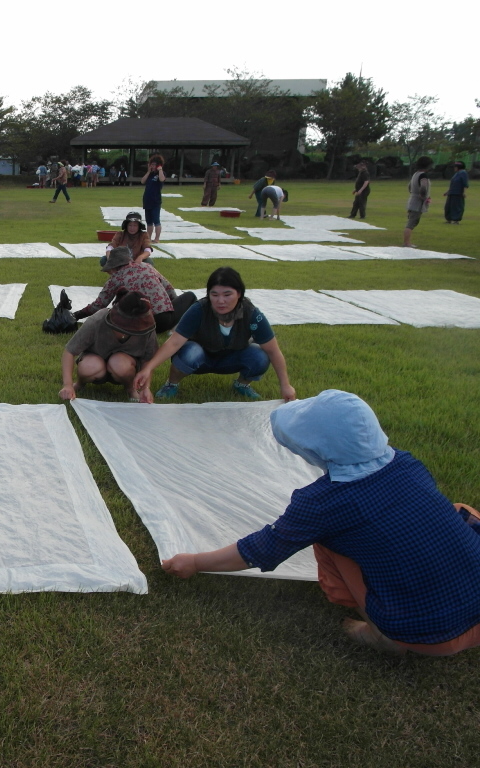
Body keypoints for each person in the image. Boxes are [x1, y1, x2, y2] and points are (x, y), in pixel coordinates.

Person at [162, 390, 480, 657]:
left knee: (330, 543)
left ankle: (380, 633)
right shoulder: (406, 464)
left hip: (423, 634)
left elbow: (261, 550)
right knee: (459, 510)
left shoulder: (323, 503)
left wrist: (194, 562)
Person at [134, 266, 296, 402]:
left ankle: (242, 384)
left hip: (233, 357)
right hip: (201, 357)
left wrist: (285, 385)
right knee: (189, 352)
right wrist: (148, 369)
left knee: (260, 356)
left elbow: (273, 351)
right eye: (214, 294)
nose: (220, 301)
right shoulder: (199, 310)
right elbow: (174, 342)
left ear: (239, 294)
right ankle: (172, 384)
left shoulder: (252, 314)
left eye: (227, 295)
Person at [59, 291, 158, 404]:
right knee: (90, 366)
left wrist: (146, 388)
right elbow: (69, 351)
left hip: (125, 366)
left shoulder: (146, 327)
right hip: (95, 360)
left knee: (119, 363)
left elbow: (148, 360)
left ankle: (130, 389)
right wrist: (67, 385)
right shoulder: (97, 321)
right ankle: (80, 384)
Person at [74, 246, 197, 334]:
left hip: (138, 325)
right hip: (163, 319)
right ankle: (183, 328)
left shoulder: (115, 279)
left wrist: (76, 315)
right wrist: (172, 307)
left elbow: (98, 305)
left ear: (114, 266)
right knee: (190, 296)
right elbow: (169, 289)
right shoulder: (147, 267)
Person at [404, 157, 432, 248]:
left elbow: (409, 186)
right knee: (411, 223)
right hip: (417, 202)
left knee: (412, 221)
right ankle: (407, 242)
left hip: (412, 199)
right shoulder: (423, 175)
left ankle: (407, 242)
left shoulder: (415, 174)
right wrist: (423, 197)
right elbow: (423, 187)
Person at [140, 154, 166, 243]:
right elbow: (142, 181)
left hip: (156, 201)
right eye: (151, 164)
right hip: (147, 200)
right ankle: (148, 238)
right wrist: (148, 171)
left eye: (154, 164)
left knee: (156, 221)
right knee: (149, 222)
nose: (152, 166)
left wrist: (160, 170)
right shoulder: (150, 175)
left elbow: (162, 179)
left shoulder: (160, 174)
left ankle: (157, 238)